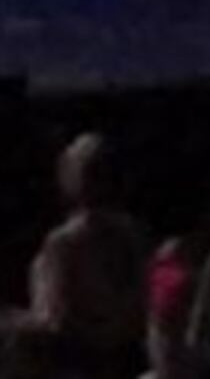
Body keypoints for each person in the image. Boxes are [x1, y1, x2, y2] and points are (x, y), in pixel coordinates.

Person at [24, 134, 150, 377]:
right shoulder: (133, 233)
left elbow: (57, 318)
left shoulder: (64, 242)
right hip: (124, 355)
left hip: (84, 361)